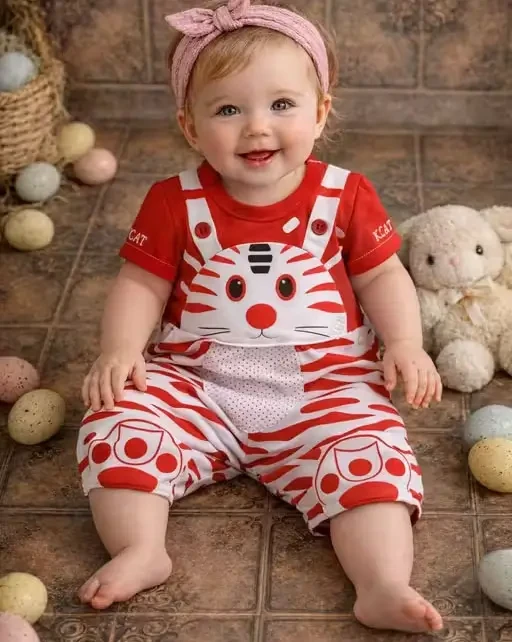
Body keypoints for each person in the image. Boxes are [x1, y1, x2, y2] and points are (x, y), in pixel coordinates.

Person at [76, 0, 444, 633]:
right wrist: (122, 350)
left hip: (325, 390)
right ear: (190, 126)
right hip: (196, 387)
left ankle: (381, 582)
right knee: (116, 421)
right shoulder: (173, 201)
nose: (256, 128)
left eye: (281, 105)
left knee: (372, 458)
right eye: (228, 110)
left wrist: (405, 342)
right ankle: (141, 547)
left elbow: (383, 275)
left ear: (320, 112)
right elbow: (140, 283)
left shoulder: (346, 195)